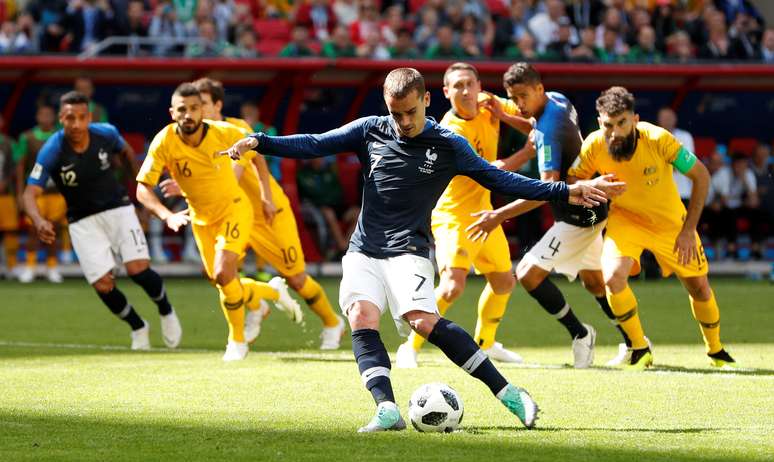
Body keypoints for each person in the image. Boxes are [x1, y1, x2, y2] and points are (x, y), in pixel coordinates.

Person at [224, 68, 611, 432]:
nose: (404, 122)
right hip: (362, 248)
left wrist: (565, 189)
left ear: (427, 100)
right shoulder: (370, 130)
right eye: (396, 113)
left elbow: (501, 179)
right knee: (361, 316)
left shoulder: (449, 145)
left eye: (411, 112)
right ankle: (386, 409)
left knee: (421, 320)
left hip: (408, 248)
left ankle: (509, 393)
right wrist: (261, 142)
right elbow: (315, 143)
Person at [466, 63, 629, 368]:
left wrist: (498, 215)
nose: (520, 103)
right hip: (594, 209)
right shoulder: (557, 100)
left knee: (528, 274)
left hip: (577, 215)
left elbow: (547, 190)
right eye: (514, 97)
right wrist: (506, 116)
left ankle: (580, 334)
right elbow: (536, 129)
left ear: (538, 88)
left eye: (523, 96)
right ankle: (635, 342)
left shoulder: (549, 128)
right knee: (594, 282)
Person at [567, 86, 737, 370]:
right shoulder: (594, 145)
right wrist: (594, 187)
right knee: (612, 279)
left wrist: (687, 232)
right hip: (626, 221)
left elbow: (702, 176)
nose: (615, 131)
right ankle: (639, 348)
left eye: (621, 122)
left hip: (671, 224)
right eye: (608, 124)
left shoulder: (659, 138)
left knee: (699, 288)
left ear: (634, 119)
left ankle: (716, 351)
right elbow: (573, 180)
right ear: (599, 123)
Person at [135, 83, 303, 361]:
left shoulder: (225, 132)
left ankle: (236, 342)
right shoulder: (164, 141)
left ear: (202, 110)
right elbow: (143, 188)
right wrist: (167, 215)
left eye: (193, 108)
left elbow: (256, 150)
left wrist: (264, 192)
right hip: (201, 219)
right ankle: (268, 294)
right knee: (220, 279)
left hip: (234, 210)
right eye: (181, 110)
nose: (188, 115)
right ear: (172, 112)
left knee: (224, 273)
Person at [184, 78, 346, 349]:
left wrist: (267, 197)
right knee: (219, 276)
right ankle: (259, 304)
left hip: (267, 212)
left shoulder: (236, 129)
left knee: (296, 279)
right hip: (235, 214)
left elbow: (248, 165)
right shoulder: (195, 139)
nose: (196, 111)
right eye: (192, 106)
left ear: (217, 105)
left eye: (202, 104)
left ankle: (332, 322)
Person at [396, 62, 537, 369]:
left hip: (485, 213)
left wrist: (505, 115)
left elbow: (536, 117)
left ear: (478, 86)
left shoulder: (491, 104)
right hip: (454, 216)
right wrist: (526, 154)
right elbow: (484, 173)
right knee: (452, 286)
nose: (465, 91)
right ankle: (410, 345)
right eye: (457, 86)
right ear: (446, 93)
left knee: (504, 282)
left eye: (469, 84)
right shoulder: (449, 130)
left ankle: (486, 343)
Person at [22, 91, 182, 350]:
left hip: (118, 208)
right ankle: (138, 326)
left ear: (89, 117)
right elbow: (29, 193)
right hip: (81, 221)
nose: (76, 124)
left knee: (137, 269)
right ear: (61, 118)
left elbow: (128, 155)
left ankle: (166, 310)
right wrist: (38, 220)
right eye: (70, 118)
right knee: (103, 285)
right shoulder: (52, 149)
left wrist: (141, 196)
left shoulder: (106, 133)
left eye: (81, 117)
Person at [15, 101, 69, 283]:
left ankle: (52, 268)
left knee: (54, 230)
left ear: (54, 117)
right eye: (42, 115)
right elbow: (20, 166)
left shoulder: (61, 136)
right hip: (36, 193)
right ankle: (30, 267)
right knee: (34, 230)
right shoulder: (28, 137)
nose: (45, 118)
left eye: (49, 115)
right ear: (37, 117)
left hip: (56, 193)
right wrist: (20, 192)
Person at [657, 106, 695, 208]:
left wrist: (663, 164)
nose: (667, 121)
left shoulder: (685, 136)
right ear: (659, 119)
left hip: (682, 192)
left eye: (669, 118)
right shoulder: (653, 137)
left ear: (675, 119)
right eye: (664, 118)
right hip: (660, 194)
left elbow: (686, 164)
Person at [0, 113, 19, 279]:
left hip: (5, 196)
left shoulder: (9, 143)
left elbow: (17, 168)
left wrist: (6, 181)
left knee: (10, 231)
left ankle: (11, 267)